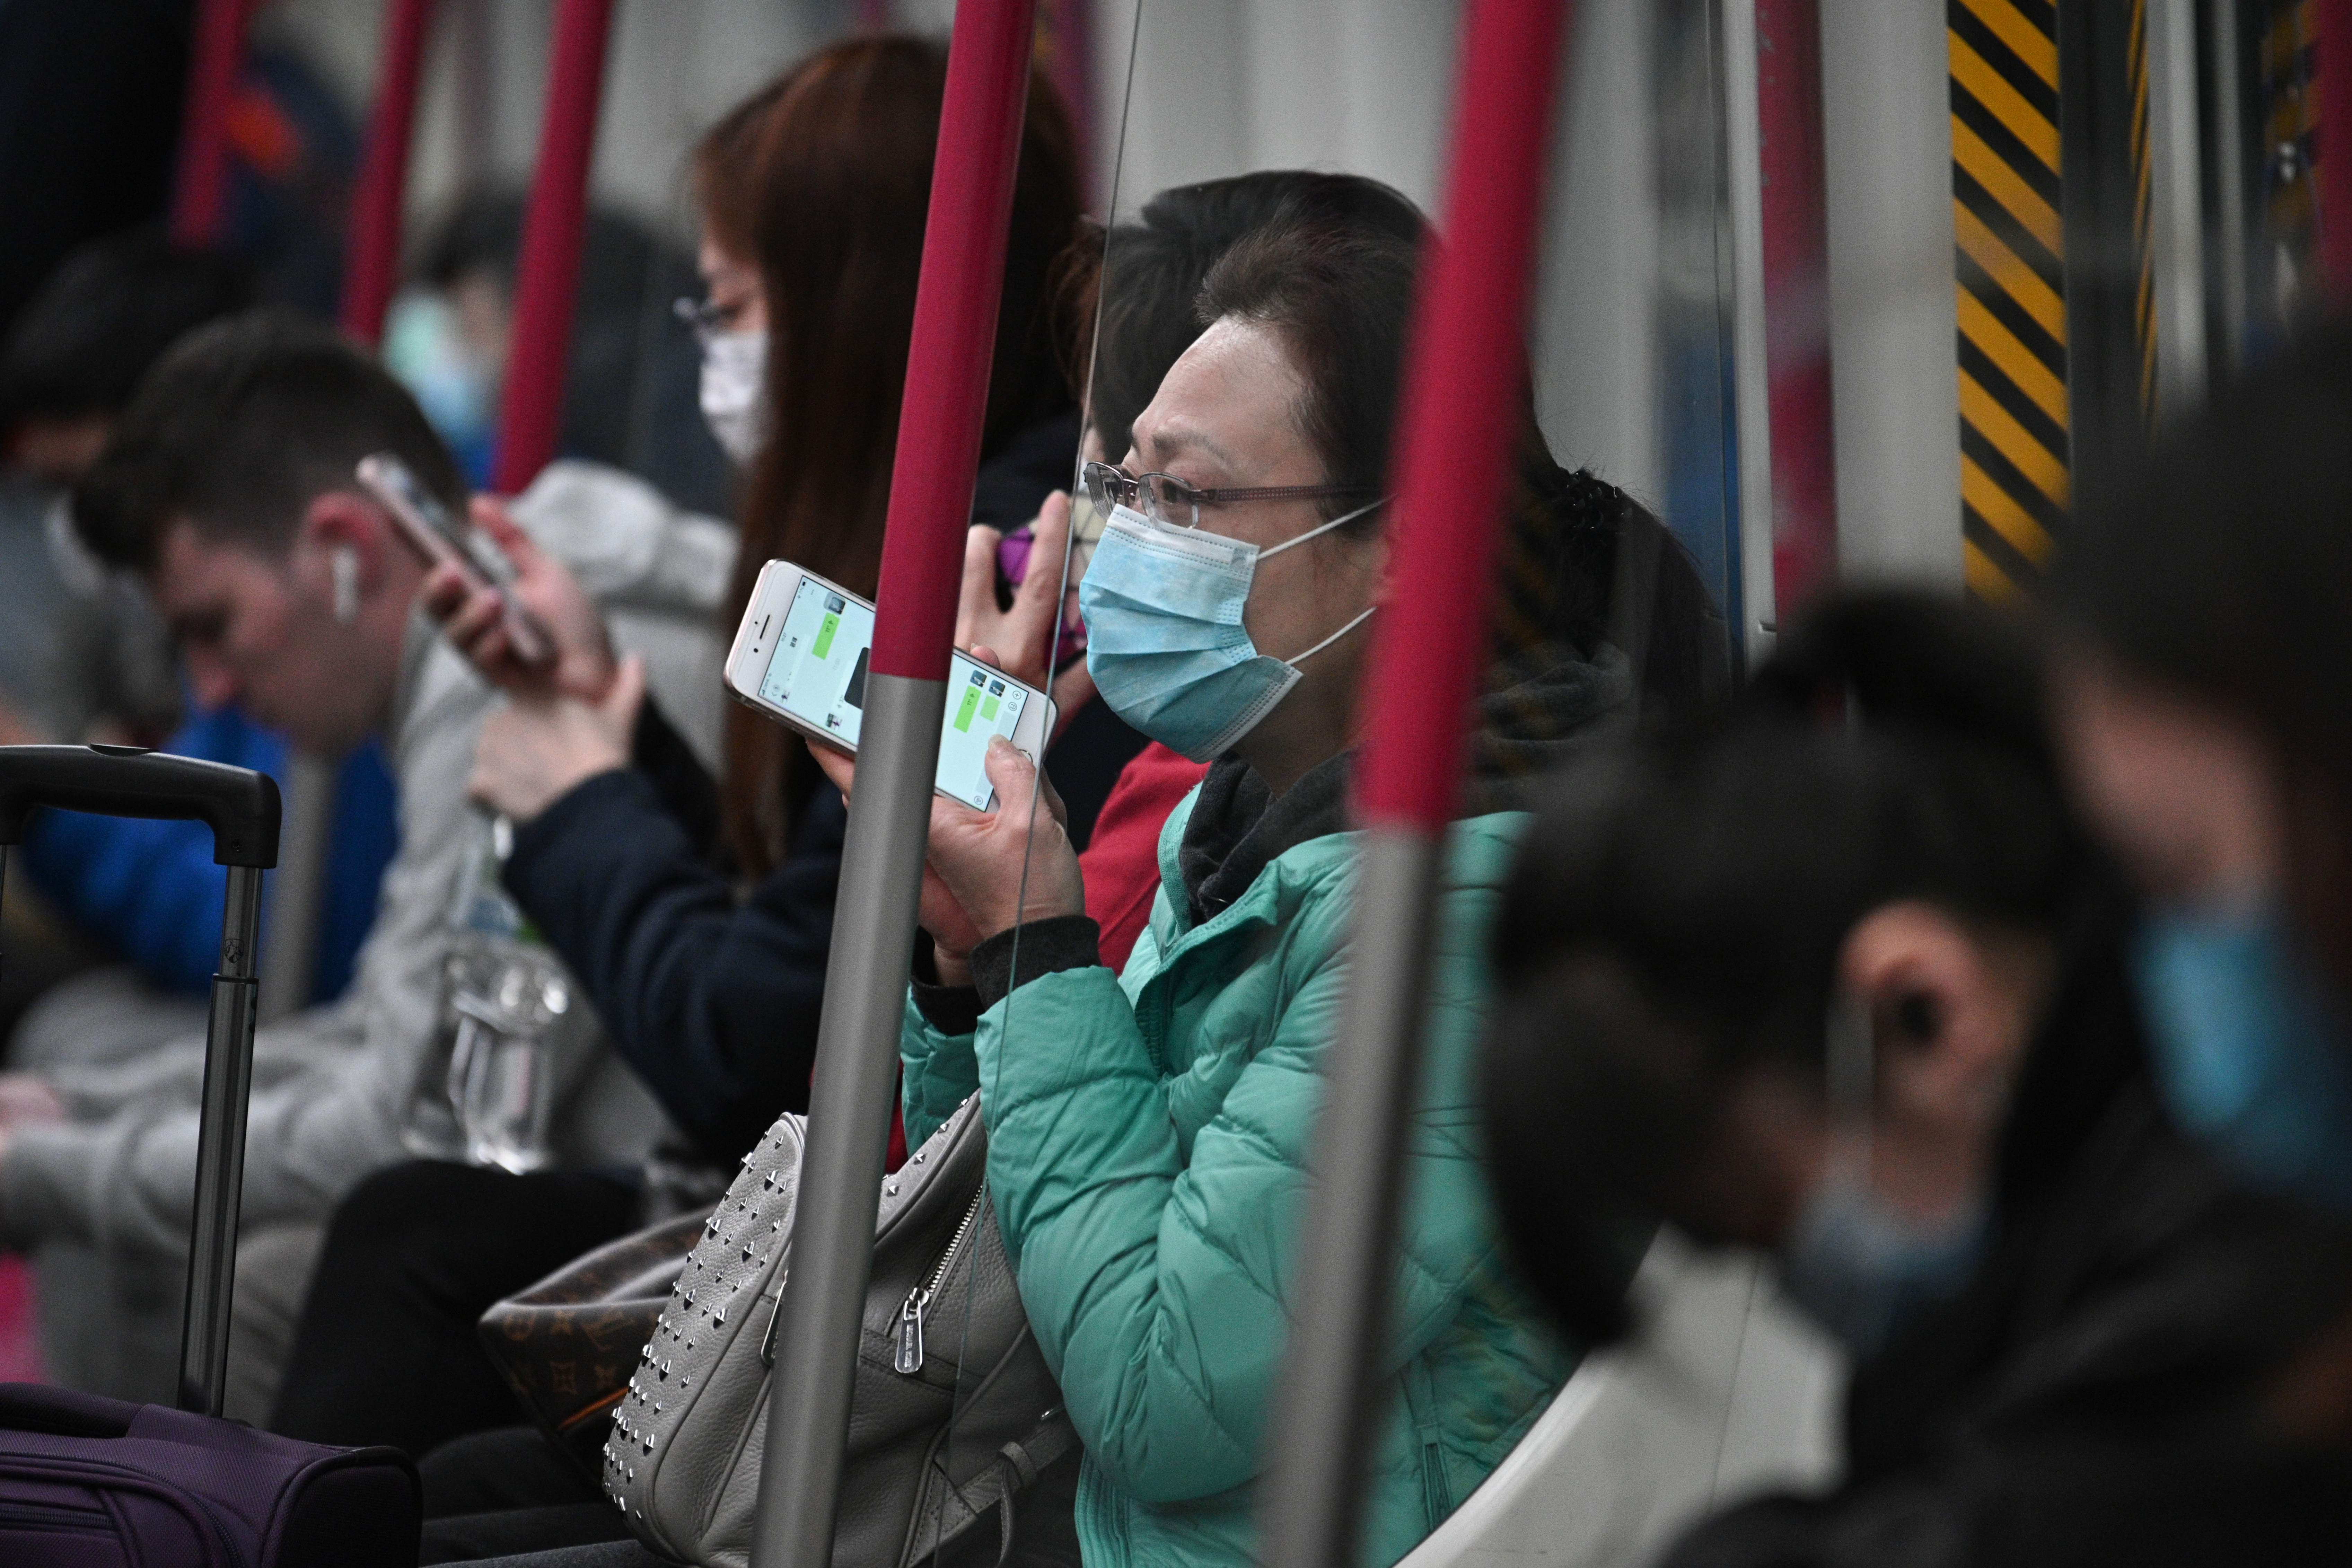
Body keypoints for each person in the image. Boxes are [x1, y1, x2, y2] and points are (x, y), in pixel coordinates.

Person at [832, 212, 1724, 1568]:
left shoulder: (1464, 915)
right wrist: (969, 966)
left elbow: (1156, 1394)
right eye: (1121, 489)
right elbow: (1007, 1291)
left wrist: (1040, 943)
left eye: (1182, 500)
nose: (1123, 546)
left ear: (1400, 547)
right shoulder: (1242, 817)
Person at [267, 36, 1095, 1485]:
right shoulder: (940, 538)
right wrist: (613, 715)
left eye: (725, 309)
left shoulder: (988, 578)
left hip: (907, 1276)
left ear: (845, 310)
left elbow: (751, 1044)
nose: (711, 357)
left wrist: (579, 801)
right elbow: (800, 917)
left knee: (401, 1259)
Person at [1481, 591, 2352, 1567]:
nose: (1802, 1287)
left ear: (1925, 1015)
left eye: (1775, 1215)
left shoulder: (2240, 1258)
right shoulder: (2065, 1244)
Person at [0, 310, 731, 1418]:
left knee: (270, 1284)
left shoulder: (505, 669)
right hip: (637, 1194)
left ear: (343, 551)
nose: (212, 691)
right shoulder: (494, 631)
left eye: (215, 625)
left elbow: (412, 1120)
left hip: (689, 1251)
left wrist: (48, 1173)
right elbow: (394, 1036)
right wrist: (79, 1109)